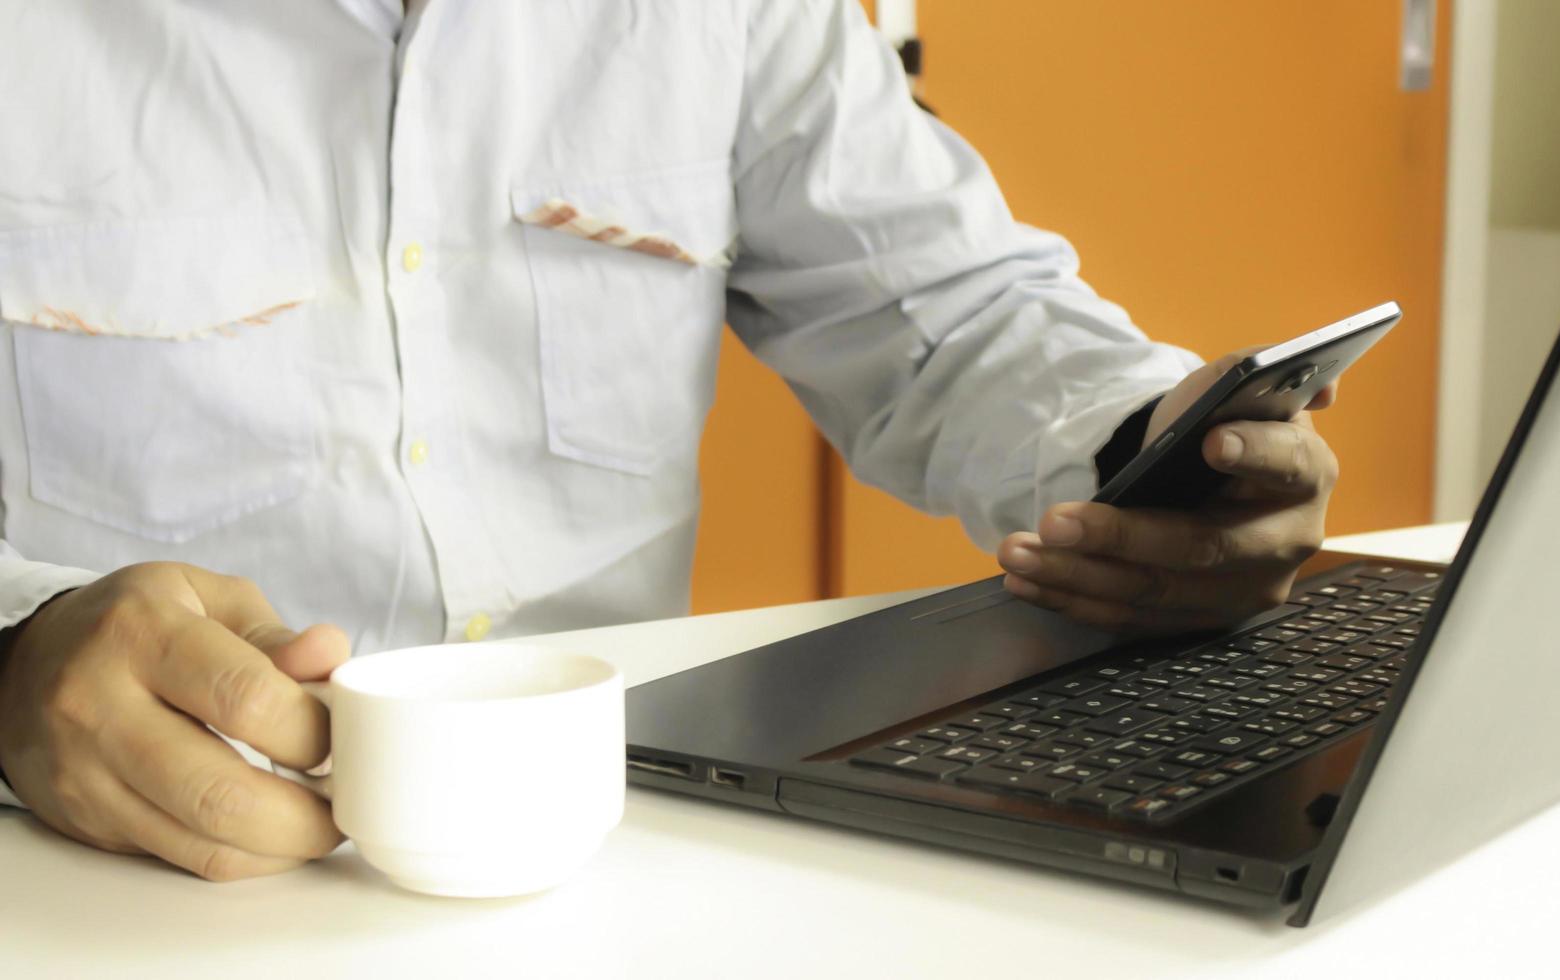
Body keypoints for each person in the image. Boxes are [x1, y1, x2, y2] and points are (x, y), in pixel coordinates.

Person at [0, 1, 1339, 882]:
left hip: (612, 868)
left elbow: (945, 308)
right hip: (113, 878)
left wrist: (1151, 458)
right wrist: (11, 660)